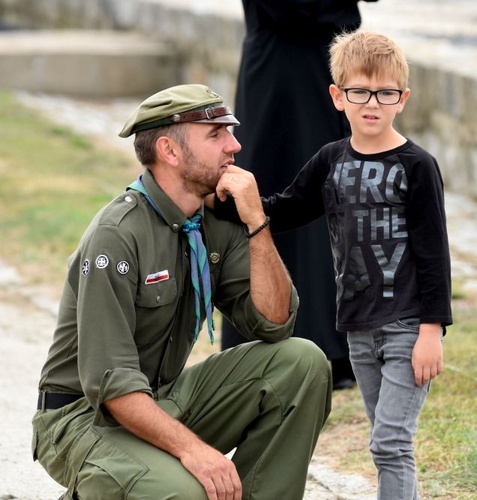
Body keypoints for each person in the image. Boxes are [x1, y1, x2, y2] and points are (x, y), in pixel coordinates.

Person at [31, 84, 332, 500]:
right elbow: (113, 386)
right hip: (84, 419)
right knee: (187, 491)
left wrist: (257, 222)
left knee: (302, 363)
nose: (235, 145)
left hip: (160, 399)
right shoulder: (116, 236)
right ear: (170, 152)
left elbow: (274, 323)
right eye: (216, 135)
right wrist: (196, 452)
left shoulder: (216, 221)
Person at [216, 31, 453, 499]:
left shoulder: (417, 166)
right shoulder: (331, 161)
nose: (372, 103)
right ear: (337, 96)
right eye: (359, 92)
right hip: (358, 327)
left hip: (407, 325)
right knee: (386, 440)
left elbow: (434, 255)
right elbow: (285, 208)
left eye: (385, 93)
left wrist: (432, 331)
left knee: (390, 442)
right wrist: (231, 203)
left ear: (401, 99)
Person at [223, 0, 378, 391]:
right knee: (275, 196)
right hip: (279, 70)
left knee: (340, 189)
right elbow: (287, 10)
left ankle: (340, 344)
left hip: (334, 61)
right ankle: (262, 337)